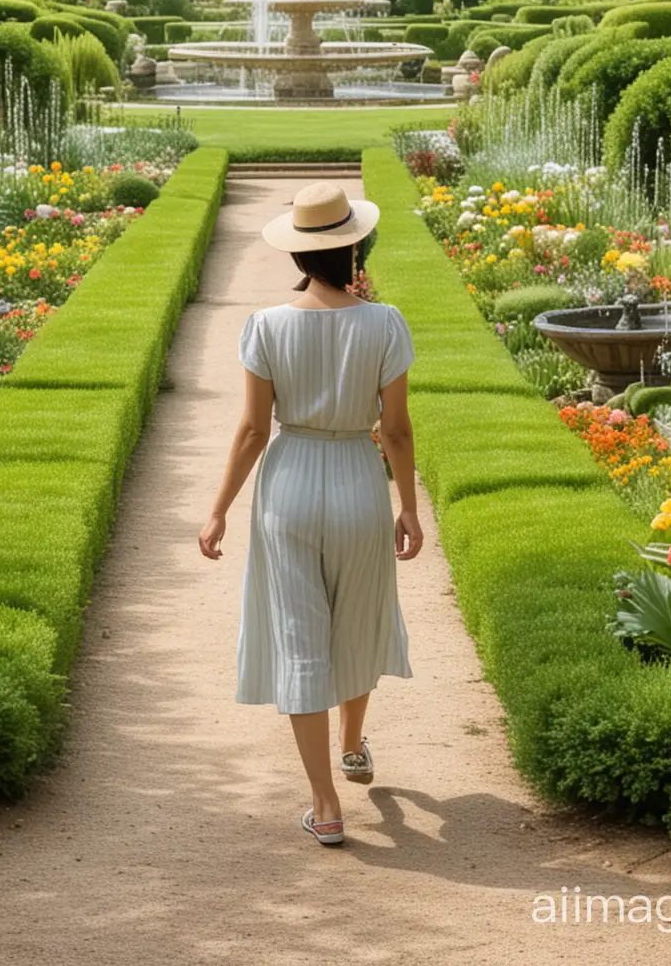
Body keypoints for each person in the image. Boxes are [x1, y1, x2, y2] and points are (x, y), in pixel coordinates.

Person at [198, 181, 423, 848]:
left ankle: (325, 803)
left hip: (289, 484)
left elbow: (249, 431)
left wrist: (217, 512)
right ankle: (352, 744)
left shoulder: (266, 325)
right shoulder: (386, 323)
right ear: (354, 251)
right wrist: (408, 506)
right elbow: (399, 431)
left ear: (299, 256)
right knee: (359, 618)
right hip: (357, 477)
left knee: (301, 638)